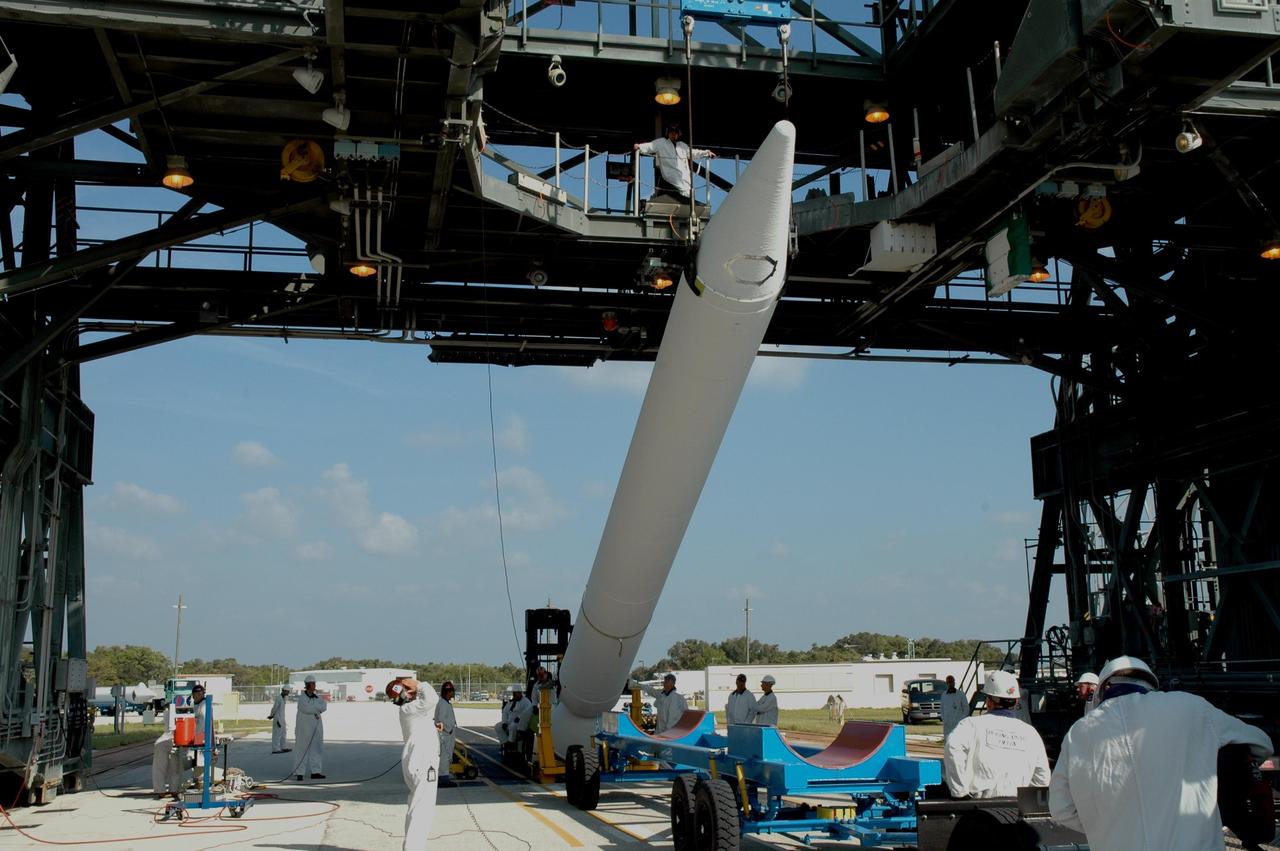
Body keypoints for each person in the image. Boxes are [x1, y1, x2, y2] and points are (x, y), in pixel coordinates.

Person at [1048, 656, 1274, 851]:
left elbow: (1060, 808)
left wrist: (1104, 822)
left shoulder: (1079, 732)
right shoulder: (1190, 707)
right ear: (1149, 683)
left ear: (1103, 689)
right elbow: (1260, 744)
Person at [944, 670, 1050, 799]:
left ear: (988, 701)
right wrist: (1030, 800)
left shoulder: (971, 725)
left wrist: (960, 792)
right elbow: (1042, 777)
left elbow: (953, 748)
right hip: (1017, 808)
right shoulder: (1030, 733)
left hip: (981, 808)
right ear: (1016, 701)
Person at [388, 677, 440, 851]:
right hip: (423, 760)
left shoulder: (408, 710)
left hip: (415, 759)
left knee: (415, 806)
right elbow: (433, 699)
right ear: (405, 693)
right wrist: (420, 684)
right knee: (422, 809)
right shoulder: (411, 708)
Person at [633, 123, 715, 201]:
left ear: (678, 134)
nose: (673, 134)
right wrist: (639, 146)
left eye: (675, 132)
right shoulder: (662, 143)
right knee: (683, 193)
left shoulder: (682, 146)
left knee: (688, 194)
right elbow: (650, 146)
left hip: (684, 178)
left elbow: (693, 152)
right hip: (671, 177)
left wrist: (706, 152)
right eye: (671, 132)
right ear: (668, 133)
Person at [294, 675, 327, 780]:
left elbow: (324, 706)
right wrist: (317, 709)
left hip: (316, 728)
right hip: (303, 729)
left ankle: (316, 771)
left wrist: (315, 708)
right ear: (308, 685)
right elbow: (306, 709)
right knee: (301, 750)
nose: (314, 685)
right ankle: (300, 772)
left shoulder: (318, 698)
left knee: (316, 749)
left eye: (314, 683)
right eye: (312, 683)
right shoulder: (302, 699)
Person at [435, 680, 457, 787]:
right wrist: (449, 730)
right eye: (452, 691)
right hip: (445, 734)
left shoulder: (444, 702)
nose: (453, 693)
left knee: (446, 755)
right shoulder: (443, 703)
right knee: (445, 756)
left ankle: (444, 776)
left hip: (447, 734)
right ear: (448, 692)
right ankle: (443, 779)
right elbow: (441, 719)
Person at [940, 675, 969, 740]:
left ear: (954, 682)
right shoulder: (943, 695)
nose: (950, 684)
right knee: (948, 742)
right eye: (948, 682)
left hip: (958, 724)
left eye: (951, 682)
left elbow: (966, 708)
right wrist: (944, 719)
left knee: (958, 741)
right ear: (946, 683)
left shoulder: (961, 694)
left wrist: (962, 720)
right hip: (947, 725)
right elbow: (941, 709)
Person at [269, 685, 293, 754]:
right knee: (277, 733)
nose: (288, 693)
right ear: (284, 691)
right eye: (287, 691)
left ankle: (283, 747)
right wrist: (271, 715)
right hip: (278, 718)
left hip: (282, 718)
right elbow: (274, 708)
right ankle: (275, 749)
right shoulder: (278, 698)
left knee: (283, 732)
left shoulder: (284, 698)